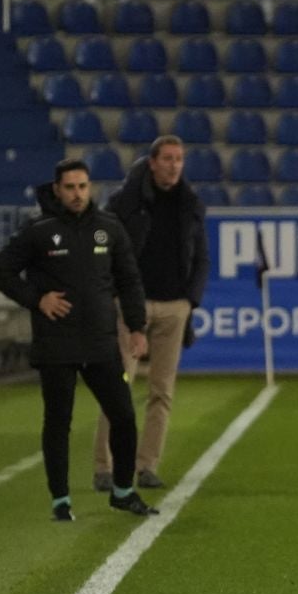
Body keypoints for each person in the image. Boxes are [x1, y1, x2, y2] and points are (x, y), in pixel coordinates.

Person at [0, 159, 159, 522]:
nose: (77, 194)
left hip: (102, 343)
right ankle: (61, 500)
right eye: (70, 187)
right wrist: (37, 299)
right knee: (58, 422)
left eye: (83, 186)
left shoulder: (109, 228)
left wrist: (137, 327)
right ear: (57, 190)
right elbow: (0, 270)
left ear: (90, 188)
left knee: (124, 417)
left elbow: (129, 280)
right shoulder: (38, 230)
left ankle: (123, 492)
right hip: (56, 345)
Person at [93, 136, 208, 494]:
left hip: (175, 306)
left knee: (163, 391)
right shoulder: (124, 202)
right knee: (118, 387)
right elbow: (103, 248)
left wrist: (190, 300)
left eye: (180, 159)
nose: (174, 165)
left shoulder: (190, 204)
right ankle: (104, 467)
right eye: (168, 159)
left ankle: (147, 466)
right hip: (133, 305)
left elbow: (201, 256)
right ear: (153, 162)